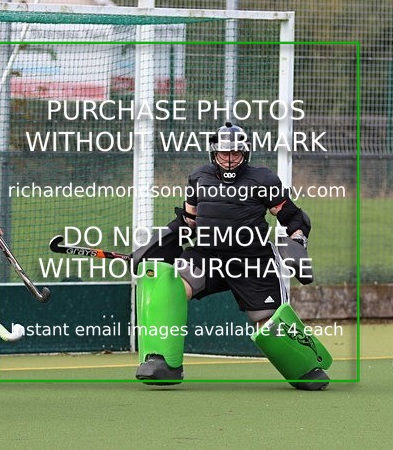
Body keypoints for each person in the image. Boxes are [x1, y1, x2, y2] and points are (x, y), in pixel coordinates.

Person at [131, 122, 331, 391]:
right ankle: (163, 363)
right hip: (207, 255)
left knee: (268, 323)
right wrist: (154, 246)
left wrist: (297, 242)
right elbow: (188, 221)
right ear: (213, 153)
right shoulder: (199, 177)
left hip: (252, 259)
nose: (228, 160)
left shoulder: (263, 179)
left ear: (245, 153)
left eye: (235, 154)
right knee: (169, 286)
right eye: (223, 154)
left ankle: (307, 366)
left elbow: (293, 217)